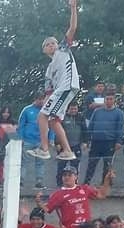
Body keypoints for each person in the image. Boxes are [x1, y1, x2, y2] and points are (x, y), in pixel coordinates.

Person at [27, 0, 81, 161]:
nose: (51, 45)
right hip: (60, 91)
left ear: (58, 45)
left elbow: (72, 28)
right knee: (52, 120)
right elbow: (48, 92)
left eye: (53, 43)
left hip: (67, 86)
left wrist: (73, 8)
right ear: (44, 50)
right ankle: (67, 150)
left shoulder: (63, 50)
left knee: (42, 116)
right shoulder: (49, 69)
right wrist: (46, 102)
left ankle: (44, 149)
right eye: (47, 44)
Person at [36, 166, 113, 228]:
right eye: (64, 175)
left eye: (69, 175)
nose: (67, 177)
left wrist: (107, 180)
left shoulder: (84, 189)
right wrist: (39, 203)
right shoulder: (58, 194)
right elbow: (47, 209)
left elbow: (102, 195)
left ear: (76, 177)